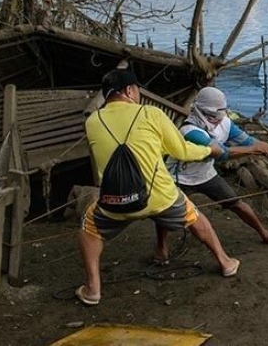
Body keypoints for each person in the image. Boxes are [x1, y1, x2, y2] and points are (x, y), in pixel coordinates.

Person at [78, 69, 239, 306]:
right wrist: (210, 150)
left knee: (88, 227)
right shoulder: (151, 113)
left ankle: (93, 288)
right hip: (159, 198)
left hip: (114, 201)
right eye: (138, 91)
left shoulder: (92, 122)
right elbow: (182, 151)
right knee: (195, 216)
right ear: (130, 91)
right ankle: (225, 262)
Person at [157, 87, 268, 263]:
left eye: (219, 115)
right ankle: (161, 246)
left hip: (206, 174)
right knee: (167, 213)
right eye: (212, 116)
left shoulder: (225, 123)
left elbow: (248, 141)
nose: (217, 121)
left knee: (237, 204)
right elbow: (222, 153)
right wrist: (255, 149)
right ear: (200, 111)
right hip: (180, 177)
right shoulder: (190, 131)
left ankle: (264, 233)